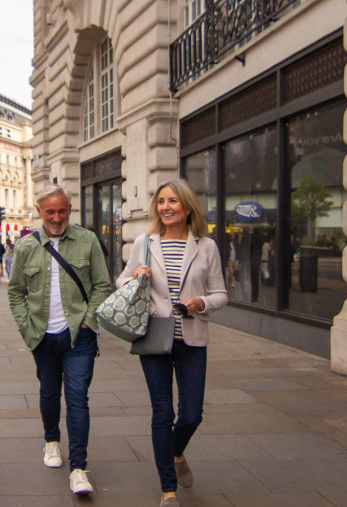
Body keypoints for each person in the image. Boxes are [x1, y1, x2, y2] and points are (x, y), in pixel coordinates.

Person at [115, 180, 228, 507]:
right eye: (161, 201)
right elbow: (120, 281)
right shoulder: (144, 242)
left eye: (173, 201)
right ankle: (168, 490)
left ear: (187, 207)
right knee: (162, 413)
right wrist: (136, 277)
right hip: (154, 335)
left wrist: (202, 303)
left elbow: (221, 294)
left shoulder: (206, 246)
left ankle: (176, 454)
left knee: (192, 414)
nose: (165, 207)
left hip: (192, 339)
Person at [7, 186, 112, 495]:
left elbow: (102, 285)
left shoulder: (87, 240)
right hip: (42, 335)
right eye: (49, 211)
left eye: (61, 210)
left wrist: (89, 321)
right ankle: (51, 439)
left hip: (79, 335)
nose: (56, 217)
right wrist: (26, 327)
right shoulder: (25, 246)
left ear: (69, 209)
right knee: (50, 392)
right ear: (39, 212)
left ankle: (79, 468)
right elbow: (15, 292)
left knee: (78, 398)